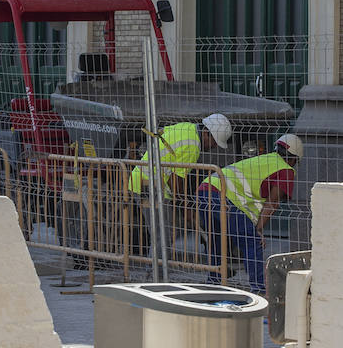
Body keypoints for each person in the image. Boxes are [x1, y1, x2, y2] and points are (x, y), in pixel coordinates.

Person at [196, 133, 303, 295]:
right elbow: (273, 202)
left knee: (217, 240)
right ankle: (259, 290)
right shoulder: (285, 170)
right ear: (294, 159)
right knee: (252, 242)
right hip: (221, 196)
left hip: (205, 189)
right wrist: (259, 230)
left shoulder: (265, 159)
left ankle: (214, 283)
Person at [126, 114, 232, 259]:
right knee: (162, 235)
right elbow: (176, 180)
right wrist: (184, 205)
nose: (214, 146)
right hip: (148, 185)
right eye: (214, 142)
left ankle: (158, 272)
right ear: (206, 133)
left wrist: (183, 203)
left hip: (145, 181)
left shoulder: (187, 128)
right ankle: (155, 275)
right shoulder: (193, 146)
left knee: (164, 232)